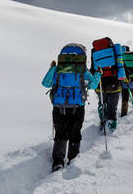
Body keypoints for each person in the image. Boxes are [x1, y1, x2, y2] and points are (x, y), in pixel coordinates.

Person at [42, 43, 101, 172]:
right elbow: (92, 85)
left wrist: (52, 68)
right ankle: (72, 161)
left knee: (60, 133)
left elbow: (45, 83)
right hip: (77, 106)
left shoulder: (57, 69)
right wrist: (98, 74)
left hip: (59, 106)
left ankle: (58, 162)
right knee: (75, 134)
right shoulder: (82, 70)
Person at [90, 38, 126, 132]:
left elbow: (92, 70)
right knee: (112, 107)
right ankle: (112, 126)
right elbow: (121, 67)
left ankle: (102, 121)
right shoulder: (115, 51)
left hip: (100, 85)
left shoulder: (94, 52)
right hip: (114, 85)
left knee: (102, 103)